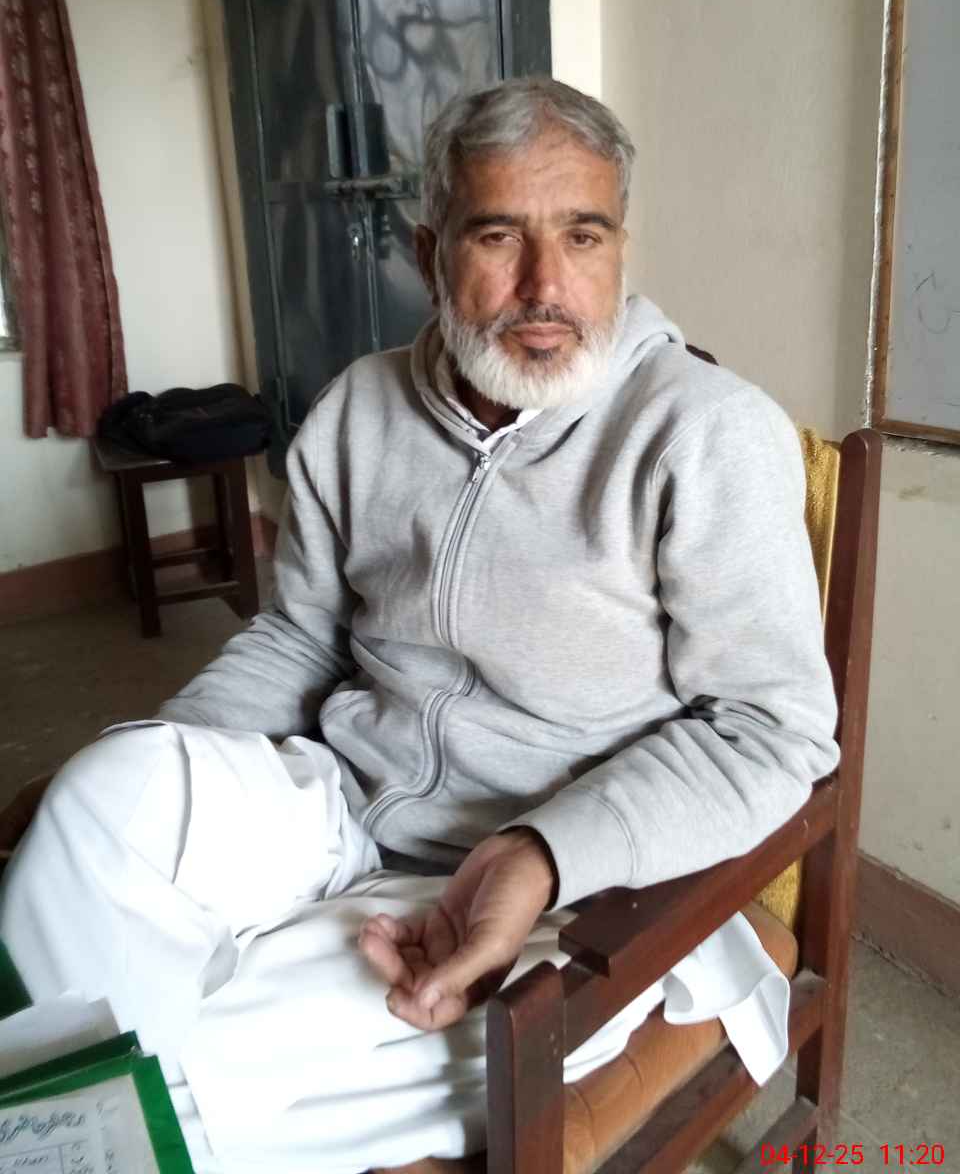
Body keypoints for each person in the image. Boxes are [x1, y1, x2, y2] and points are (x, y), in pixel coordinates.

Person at [0, 77, 839, 1172]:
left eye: (583, 235)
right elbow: (299, 636)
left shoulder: (706, 434)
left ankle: (101, 1108)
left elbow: (772, 731)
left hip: (566, 885)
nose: (547, 285)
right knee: (102, 800)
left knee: (181, 1070)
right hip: (340, 810)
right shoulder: (358, 405)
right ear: (429, 251)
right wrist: (175, 755)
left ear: (621, 247)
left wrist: (542, 853)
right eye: (499, 236)